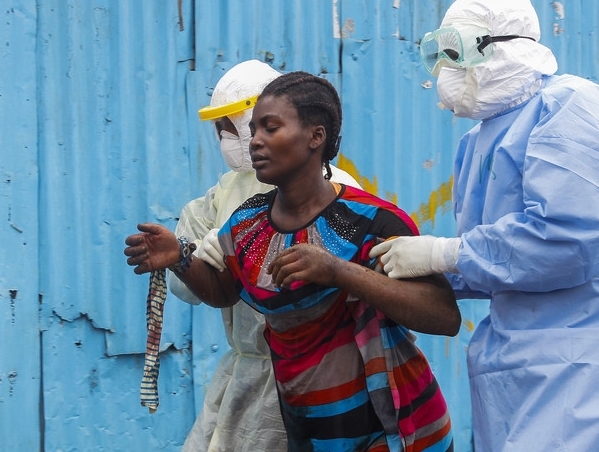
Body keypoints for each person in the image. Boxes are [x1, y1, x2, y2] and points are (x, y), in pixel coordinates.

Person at [369, 0, 599, 450]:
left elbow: (570, 241)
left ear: (501, 46)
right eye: (436, 54)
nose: (444, 68)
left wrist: (444, 253)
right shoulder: (477, 141)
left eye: (456, 52)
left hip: (586, 366)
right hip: (514, 366)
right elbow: (501, 264)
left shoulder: (570, 108)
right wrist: (418, 269)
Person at [126, 71, 460, 451]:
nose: (254, 142)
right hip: (311, 428)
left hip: (392, 423)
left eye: (270, 128)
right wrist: (180, 257)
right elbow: (224, 291)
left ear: (316, 137)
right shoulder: (247, 222)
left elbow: (444, 316)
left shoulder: (369, 220)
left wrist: (338, 272)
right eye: (251, 130)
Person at [170, 59, 360, 451]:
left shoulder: (341, 195)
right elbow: (193, 287)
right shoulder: (227, 195)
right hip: (247, 370)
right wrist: (184, 256)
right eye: (232, 131)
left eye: (265, 126)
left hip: (311, 370)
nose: (244, 140)